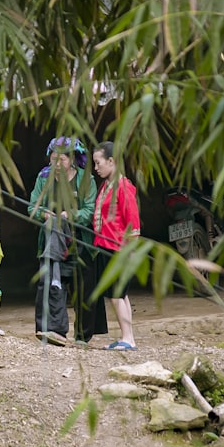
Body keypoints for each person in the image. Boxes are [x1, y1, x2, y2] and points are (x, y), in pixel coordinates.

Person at [27, 137, 96, 346]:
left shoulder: (85, 179)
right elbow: (32, 208)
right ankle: (52, 331)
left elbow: (89, 210)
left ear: (72, 159)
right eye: (53, 159)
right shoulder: (43, 177)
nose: (56, 165)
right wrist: (45, 215)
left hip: (79, 241)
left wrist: (69, 215)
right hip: (51, 241)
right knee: (50, 283)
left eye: (62, 160)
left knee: (83, 288)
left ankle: (83, 336)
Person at [87, 140, 141, 351]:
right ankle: (127, 337)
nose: (96, 167)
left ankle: (128, 338)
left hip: (118, 248)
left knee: (116, 294)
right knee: (118, 294)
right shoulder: (106, 185)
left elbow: (133, 222)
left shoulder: (122, 186)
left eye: (99, 162)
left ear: (112, 161)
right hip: (106, 246)